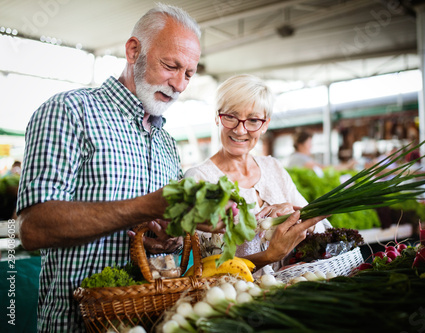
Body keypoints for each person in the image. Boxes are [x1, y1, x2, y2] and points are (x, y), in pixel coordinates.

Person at [16, 4, 207, 332]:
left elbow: (163, 242)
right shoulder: (69, 112)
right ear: (134, 51)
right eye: (170, 66)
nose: (179, 84)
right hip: (74, 325)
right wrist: (145, 206)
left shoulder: (167, 142)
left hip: (151, 323)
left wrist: (168, 242)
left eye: (188, 73)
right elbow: (32, 229)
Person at [184, 74, 328, 275]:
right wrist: (268, 256)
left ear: (265, 124)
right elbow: (205, 267)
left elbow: (320, 227)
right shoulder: (198, 179)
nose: (241, 130)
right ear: (218, 117)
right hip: (231, 300)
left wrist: (295, 216)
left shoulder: (273, 168)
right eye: (231, 117)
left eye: (253, 120)